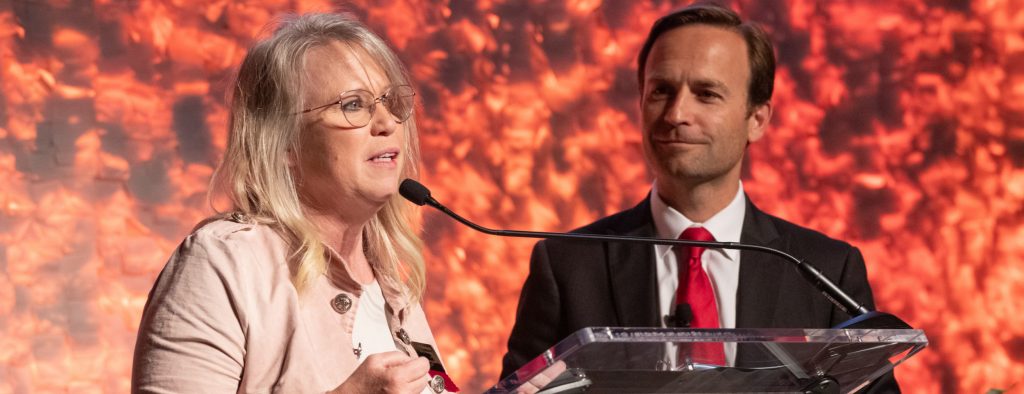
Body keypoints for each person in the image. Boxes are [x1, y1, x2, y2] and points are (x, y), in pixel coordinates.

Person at [500, 3, 899, 392]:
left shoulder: (826, 270)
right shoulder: (567, 265)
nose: (676, 113)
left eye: (706, 94)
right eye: (661, 90)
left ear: (757, 119)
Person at [132, 13, 456, 394]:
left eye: (391, 101)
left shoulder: (391, 284)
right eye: (354, 104)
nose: (386, 122)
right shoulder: (224, 264)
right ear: (284, 143)